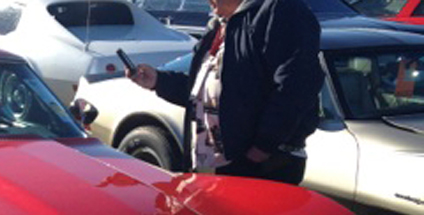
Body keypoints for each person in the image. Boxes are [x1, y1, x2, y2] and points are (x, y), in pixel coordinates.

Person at [128, 0, 323, 185]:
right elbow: (205, 92)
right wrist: (158, 81)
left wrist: (260, 150)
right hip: (214, 162)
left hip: (261, 166)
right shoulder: (221, 24)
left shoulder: (282, 11)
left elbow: (296, 87)